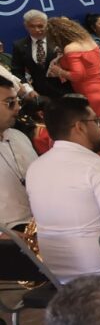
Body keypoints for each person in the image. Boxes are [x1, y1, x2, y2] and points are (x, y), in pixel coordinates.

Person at [24, 97, 100, 282]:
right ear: (80, 127)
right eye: (96, 121)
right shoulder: (99, 167)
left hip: (58, 275)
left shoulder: (34, 168)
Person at [44, 17, 100, 134]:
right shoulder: (90, 42)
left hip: (90, 94)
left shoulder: (70, 48)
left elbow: (78, 75)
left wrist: (59, 71)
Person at [0, 69, 35, 225]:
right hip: (8, 233)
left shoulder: (19, 137)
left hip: (39, 223)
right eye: (10, 102)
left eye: (18, 101)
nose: (17, 108)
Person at [12, 10, 68, 99]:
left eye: (40, 26)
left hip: (66, 89)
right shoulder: (19, 46)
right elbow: (17, 72)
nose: (37, 30)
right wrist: (28, 90)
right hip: (40, 94)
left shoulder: (58, 40)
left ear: (47, 25)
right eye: (32, 26)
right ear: (26, 26)